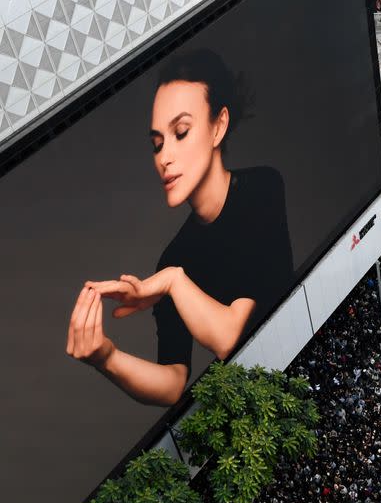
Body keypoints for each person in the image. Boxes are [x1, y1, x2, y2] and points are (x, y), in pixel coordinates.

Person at [65, 49, 293, 406]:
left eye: (181, 132)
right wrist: (106, 357)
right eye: (157, 144)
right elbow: (172, 382)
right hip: (254, 401)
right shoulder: (175, 256)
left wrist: (173, 281)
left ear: (218, 126)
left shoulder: (263, 188)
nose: (164, 158)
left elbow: (228, 335)